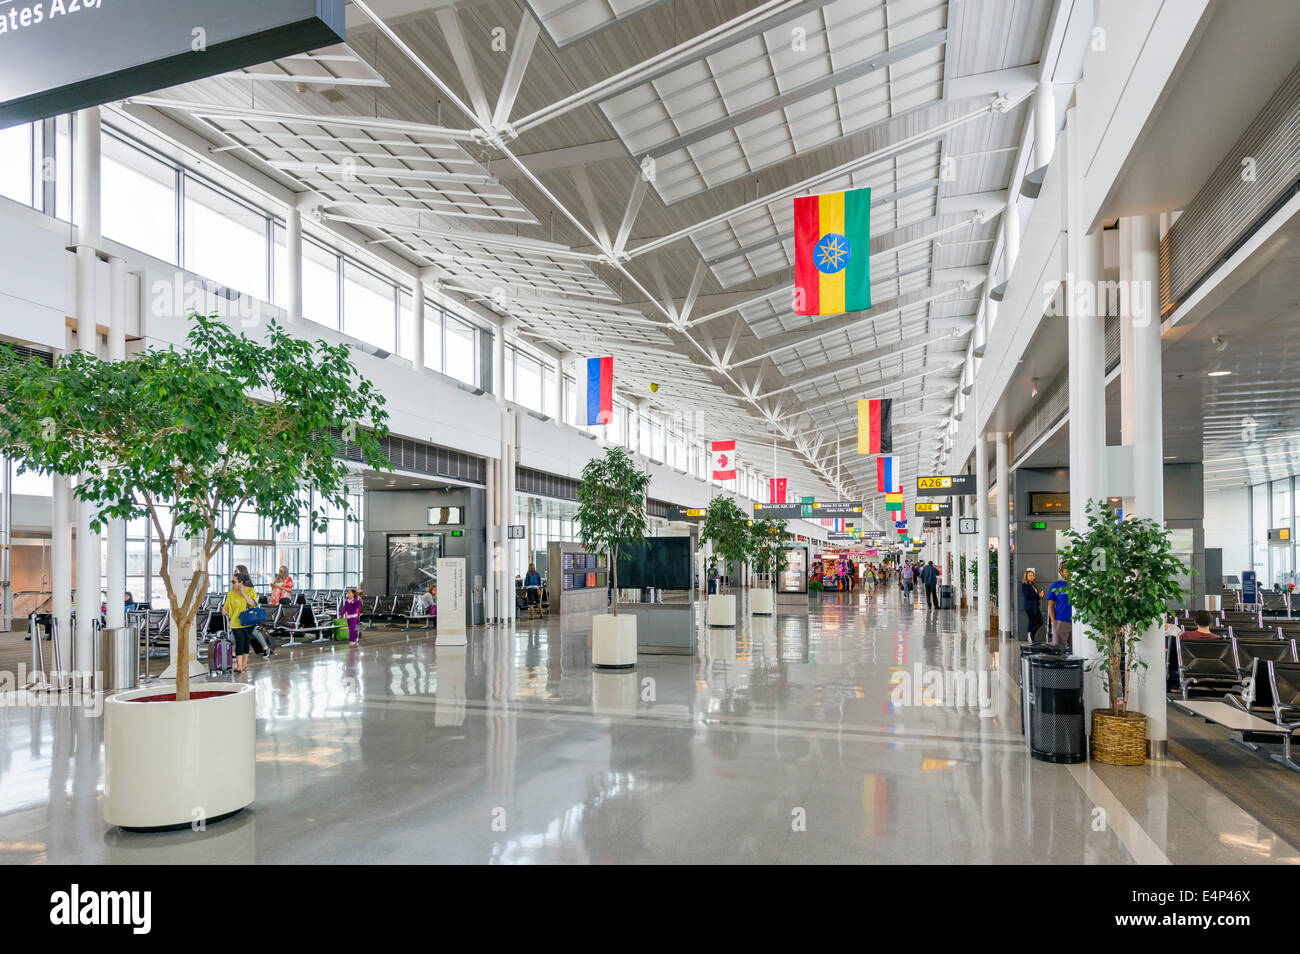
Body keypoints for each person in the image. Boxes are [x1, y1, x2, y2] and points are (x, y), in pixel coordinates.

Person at [223, 573, 259, 674]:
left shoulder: (250, 591)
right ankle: (239, 666)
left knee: (246, 641)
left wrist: (243, 593)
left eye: (234, 582)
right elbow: (227, 605)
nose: (232, 584)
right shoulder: (231, 593)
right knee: (239, 642)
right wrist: (225, 610)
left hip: (249, 621)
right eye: (232, 582)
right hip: (235, 621)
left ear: (241, 582)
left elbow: (253, 604)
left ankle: (244, 665)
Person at [1047, 564, 1073, 649]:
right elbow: (1051, 606)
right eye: (1067, 569)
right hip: (1061, 621)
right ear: (1061, 572)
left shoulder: (1077, 586)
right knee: (1058, 650)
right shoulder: (1056, 585)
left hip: (1076, 622)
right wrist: (1054, 623)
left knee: (1075, 651)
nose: (1070, 572)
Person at [1021, 570, 1045, 641]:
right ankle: (1030, 637)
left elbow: (1035, 596)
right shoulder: (1024, 585)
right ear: (1026, 577)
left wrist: (1040, 596)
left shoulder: (1032, 584)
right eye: (1030, 575)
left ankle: (1032, 633)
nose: (1032, 577)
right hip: (1029, 605)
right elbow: (1027, 595)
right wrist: (1038, 595)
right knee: (1031, 620)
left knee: (1040, 621)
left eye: (1033, 575)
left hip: (1035, 605)